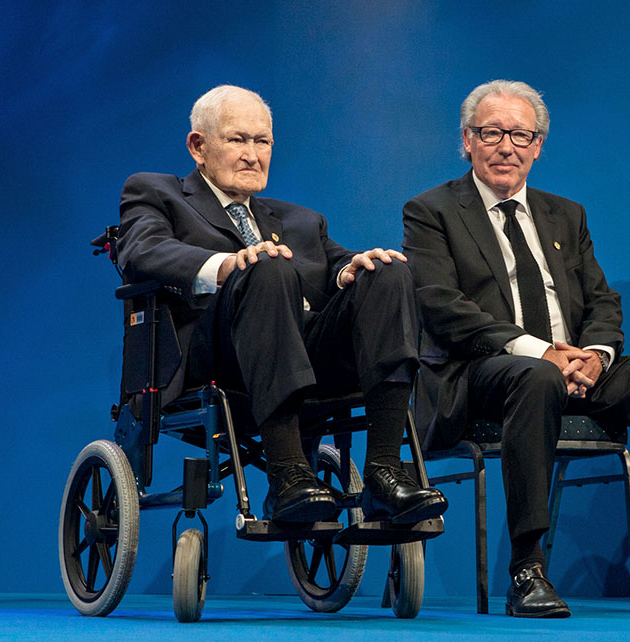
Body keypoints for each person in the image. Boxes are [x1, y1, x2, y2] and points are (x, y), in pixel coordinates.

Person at [402, 80, 630, 618]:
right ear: (467, 140)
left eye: (521, 135)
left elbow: (602, 301)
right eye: (492, 133)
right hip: (481, 374)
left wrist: (595, 355)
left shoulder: (565, 215)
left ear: (538, 146)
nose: (506, 146)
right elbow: (441, 307)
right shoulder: (432, 210)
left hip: (578, 367)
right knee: (534, 378)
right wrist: (540, 353)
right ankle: (527, 569)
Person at [117, 84, 446, 526]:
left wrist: (351, 269)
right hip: (216, 355)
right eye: (237, 140)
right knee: (266, 267)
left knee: (387, 271)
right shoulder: (158, 193)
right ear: (199, 146)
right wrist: (228, 265)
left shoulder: (300, 220)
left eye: (262, 141)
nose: (253, 154)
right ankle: (288, 473)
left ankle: (384, 471)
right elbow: (142, 249)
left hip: (306, 356)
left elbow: (335, 263)